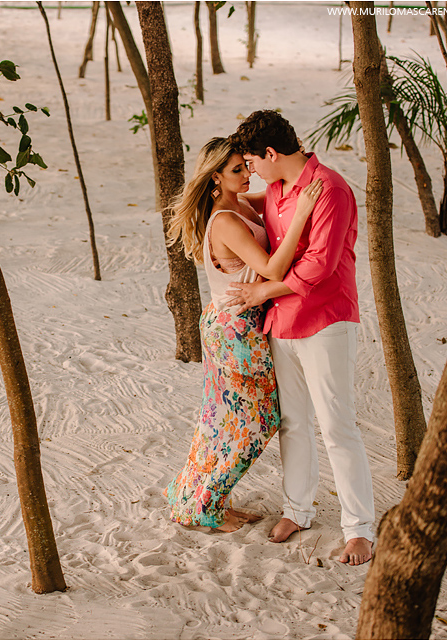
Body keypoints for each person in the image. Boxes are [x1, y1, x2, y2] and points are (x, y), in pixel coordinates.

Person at [227, 110, 375, 565]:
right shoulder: (273, 191)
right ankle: (298, 509)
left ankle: (360, 528)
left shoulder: (329, 188)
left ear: (270, 153)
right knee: (293, 423)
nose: (251, 171)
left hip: (327, 319)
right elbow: (232, 208)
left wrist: (261, 290)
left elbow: (320, 266)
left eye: (251, 161)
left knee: (336, 426)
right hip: (282, 323)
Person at [162, 137, 322, 533]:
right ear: (216, 176)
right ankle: (209, 506)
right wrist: (302, 214)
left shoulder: (241, 204)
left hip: (229, 321)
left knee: (219, 419)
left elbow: (272, 198)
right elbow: (270, 269)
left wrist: (287, 158)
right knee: (259, 418)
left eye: (246, 166)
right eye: (237, 170)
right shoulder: (226, 220)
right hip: (235, 329)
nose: (247, 174)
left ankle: (193, 496)